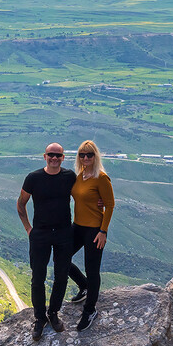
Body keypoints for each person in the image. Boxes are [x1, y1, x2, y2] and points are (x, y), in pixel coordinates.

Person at [17, 142, 76, 341]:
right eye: (51, 154)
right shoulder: (33, 178)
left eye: (58, 155)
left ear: (63, 158)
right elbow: (21, 203)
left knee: (61, 276)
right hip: (40, 233)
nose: (54, 158)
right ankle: (39, 318)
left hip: (63, 233)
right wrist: (28, 229)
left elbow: (84, 194)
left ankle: (53, 313)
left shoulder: (69, 177)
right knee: (38, 278)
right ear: (44, 156)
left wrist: (101, 200)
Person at [67, 140, 115, 332]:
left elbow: (110, 205)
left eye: (89, 155)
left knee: (92, 268)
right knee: (62, 258)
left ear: (96, 156)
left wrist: (103, 231)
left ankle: (90, 310)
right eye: (81, 155)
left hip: (94, 229)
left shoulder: (101, 178)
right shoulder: (80, 176)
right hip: (77, 226)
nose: (85, 158)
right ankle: (84, 285)